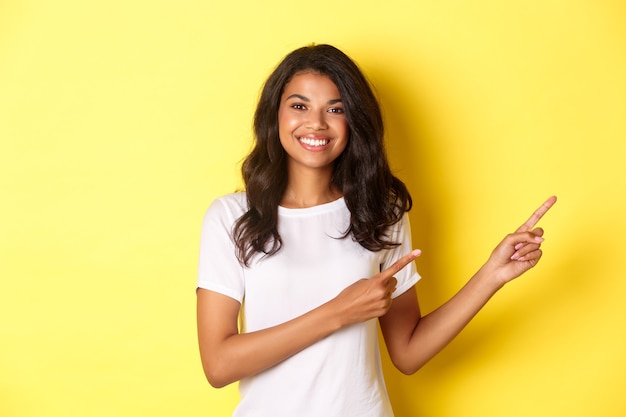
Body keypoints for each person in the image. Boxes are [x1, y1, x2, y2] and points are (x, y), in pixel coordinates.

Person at [196, 44, 556, 417]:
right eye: (299, 106)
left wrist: (492, 275)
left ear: (355, 121)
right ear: (275, 114)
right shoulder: (232, 217)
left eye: (336, 109)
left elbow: (408, 352)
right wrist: (339, 311)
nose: (317, 123)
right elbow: (219, 365)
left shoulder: (380, 212)